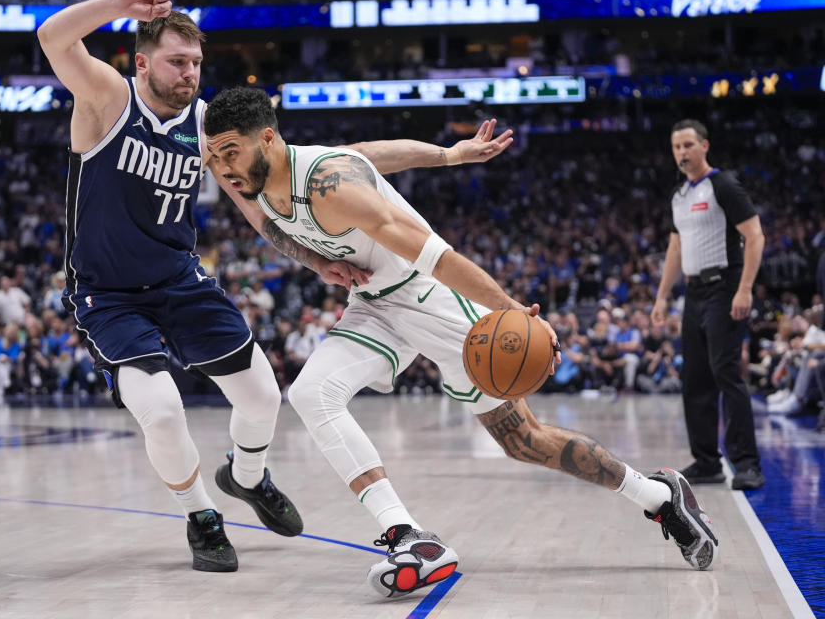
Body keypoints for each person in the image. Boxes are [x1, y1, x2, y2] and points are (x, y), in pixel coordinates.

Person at [36, 0, 511, 573]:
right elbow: (51, 36)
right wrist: (121, 4)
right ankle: (202, 517)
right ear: (141, 62)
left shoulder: (206, 124)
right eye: (177, 62)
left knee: (263, 394)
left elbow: (257, 210)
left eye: (196, 63)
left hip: (180, 280)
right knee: (159, 409)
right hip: (107, 293)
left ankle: (248, 475)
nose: (189, 73)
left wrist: (317, 261)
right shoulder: (107, 97)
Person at [204, 87, 720, 598]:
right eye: (214, 155)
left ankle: (657, 494)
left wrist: (514, 312)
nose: (223, 167)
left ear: (267, 139)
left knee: (524, 442)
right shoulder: (264, 177)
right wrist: (446, 156)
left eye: (231, 152)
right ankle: (408, 537)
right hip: (374, 303)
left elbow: (442, 259)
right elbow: (367, 154)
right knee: (312, 392)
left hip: (433, 298)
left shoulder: (328, 187)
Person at [652, 119, 766, 490]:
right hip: (694, 293)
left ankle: (747, 464)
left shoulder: (724, 185)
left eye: (688, 145)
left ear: (704, 146)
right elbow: (675, 248)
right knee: (695, 380)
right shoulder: (679, 195)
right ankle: (706, 462)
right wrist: (662, 296)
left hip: (725, 287)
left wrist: (745, 289)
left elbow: (755, 236)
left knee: (726, 373)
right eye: (676, 147)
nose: (682, 152)